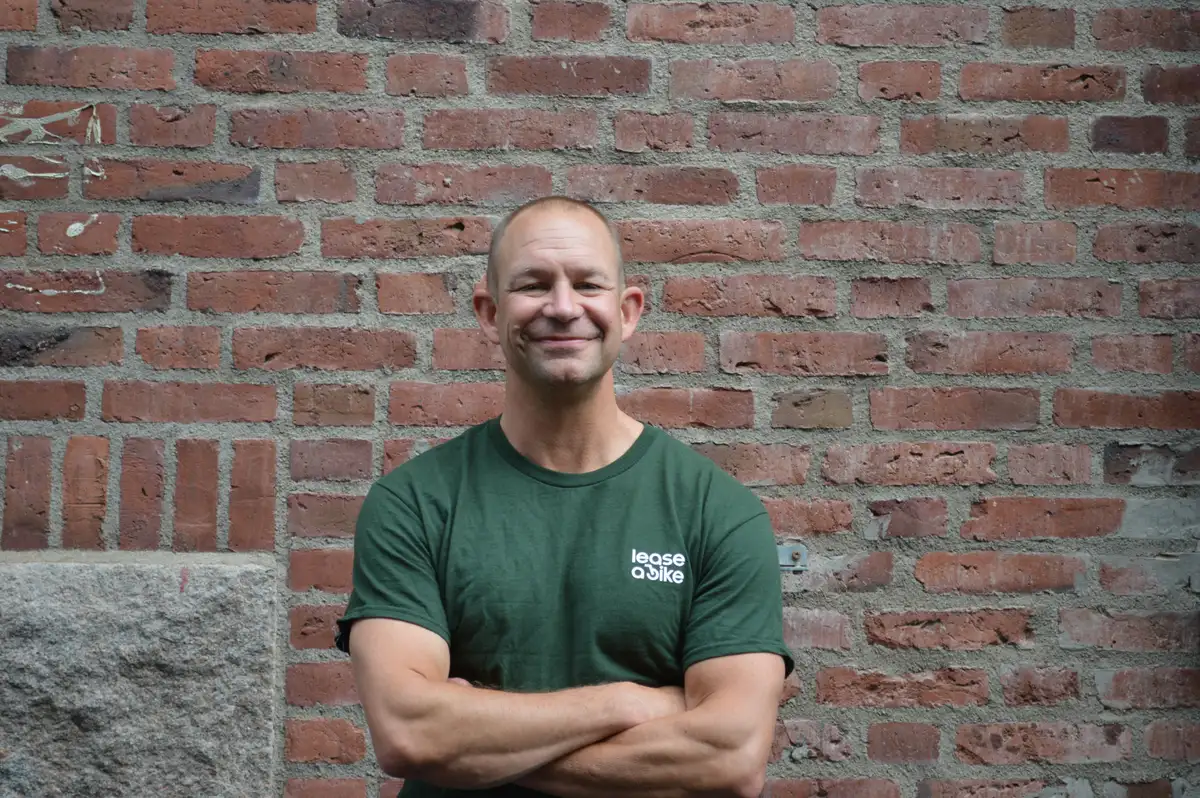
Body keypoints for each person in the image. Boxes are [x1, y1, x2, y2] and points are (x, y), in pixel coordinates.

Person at [335, 196, 793, 798]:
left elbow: (730, 758)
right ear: (489, 313)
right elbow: (409, 735)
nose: (562, 307)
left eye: (587, 284)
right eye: (533, 285)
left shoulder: (716, 512)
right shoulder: (415, 503)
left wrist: (471, 743)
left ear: (627, 311)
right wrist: (626, 703)